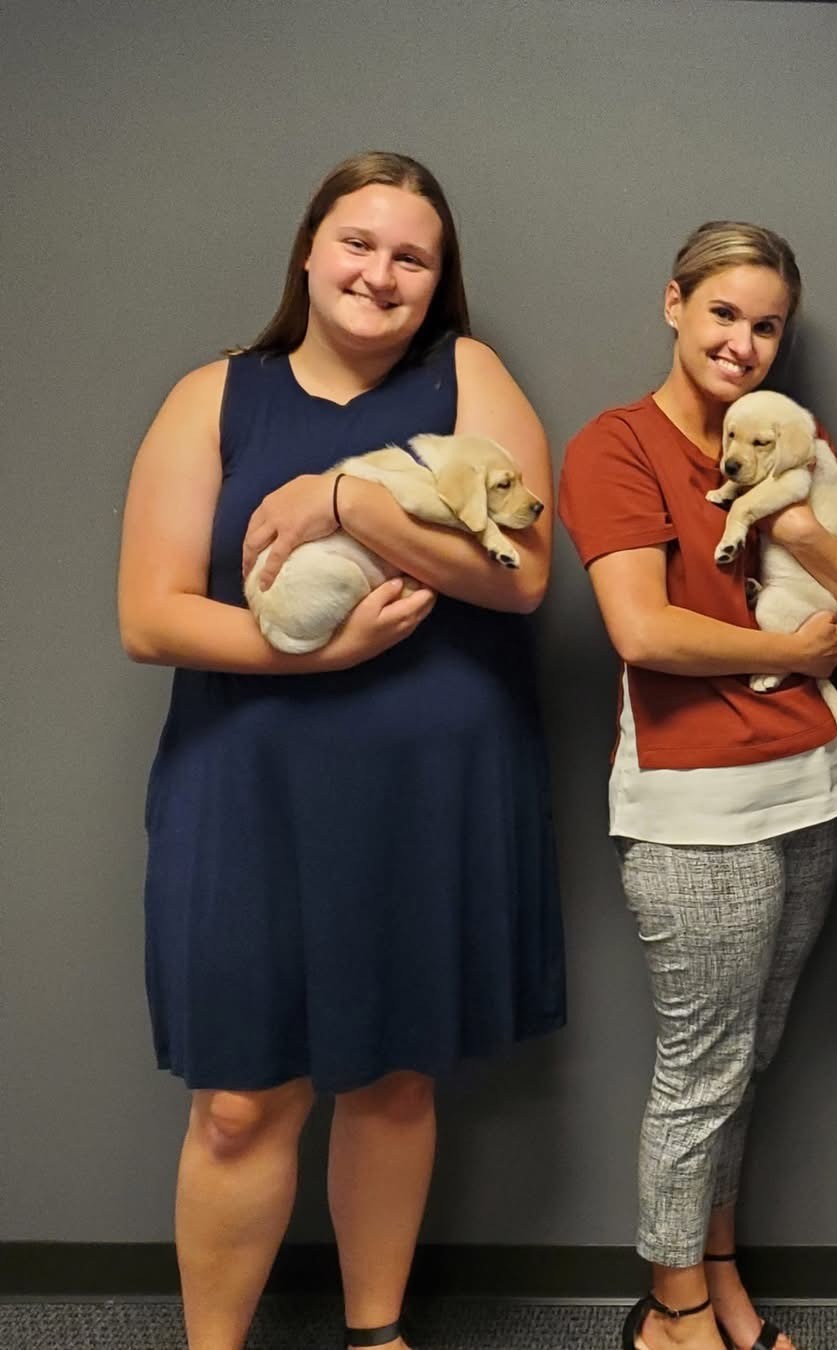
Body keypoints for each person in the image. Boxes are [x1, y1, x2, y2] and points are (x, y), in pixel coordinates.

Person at [116, 151, 565, 1350]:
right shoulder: (213, 394)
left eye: (411, 256)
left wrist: (348, 506)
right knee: (236, 1102)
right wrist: (316, 657)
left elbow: (524, 577)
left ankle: (377, 1335)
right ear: (308, 252)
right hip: (248, 790)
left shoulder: (468, 376)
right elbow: (151, 615)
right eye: (357, 243)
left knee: (394, 1077)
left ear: (438, 279)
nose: (381, 272)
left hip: (427, 796)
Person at [557, 222, 837, 1350]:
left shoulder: (791, 440)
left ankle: (722, 1272)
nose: (743, 342)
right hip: (694, 810)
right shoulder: (616, 446)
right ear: (674, 305)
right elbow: (642, 630)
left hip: (813, 794)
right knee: (701, 1072)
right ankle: (673, 1310)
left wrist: (789, 518)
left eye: (766, 325)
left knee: (751, 1062)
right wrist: (799, 652)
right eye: (724, 314)